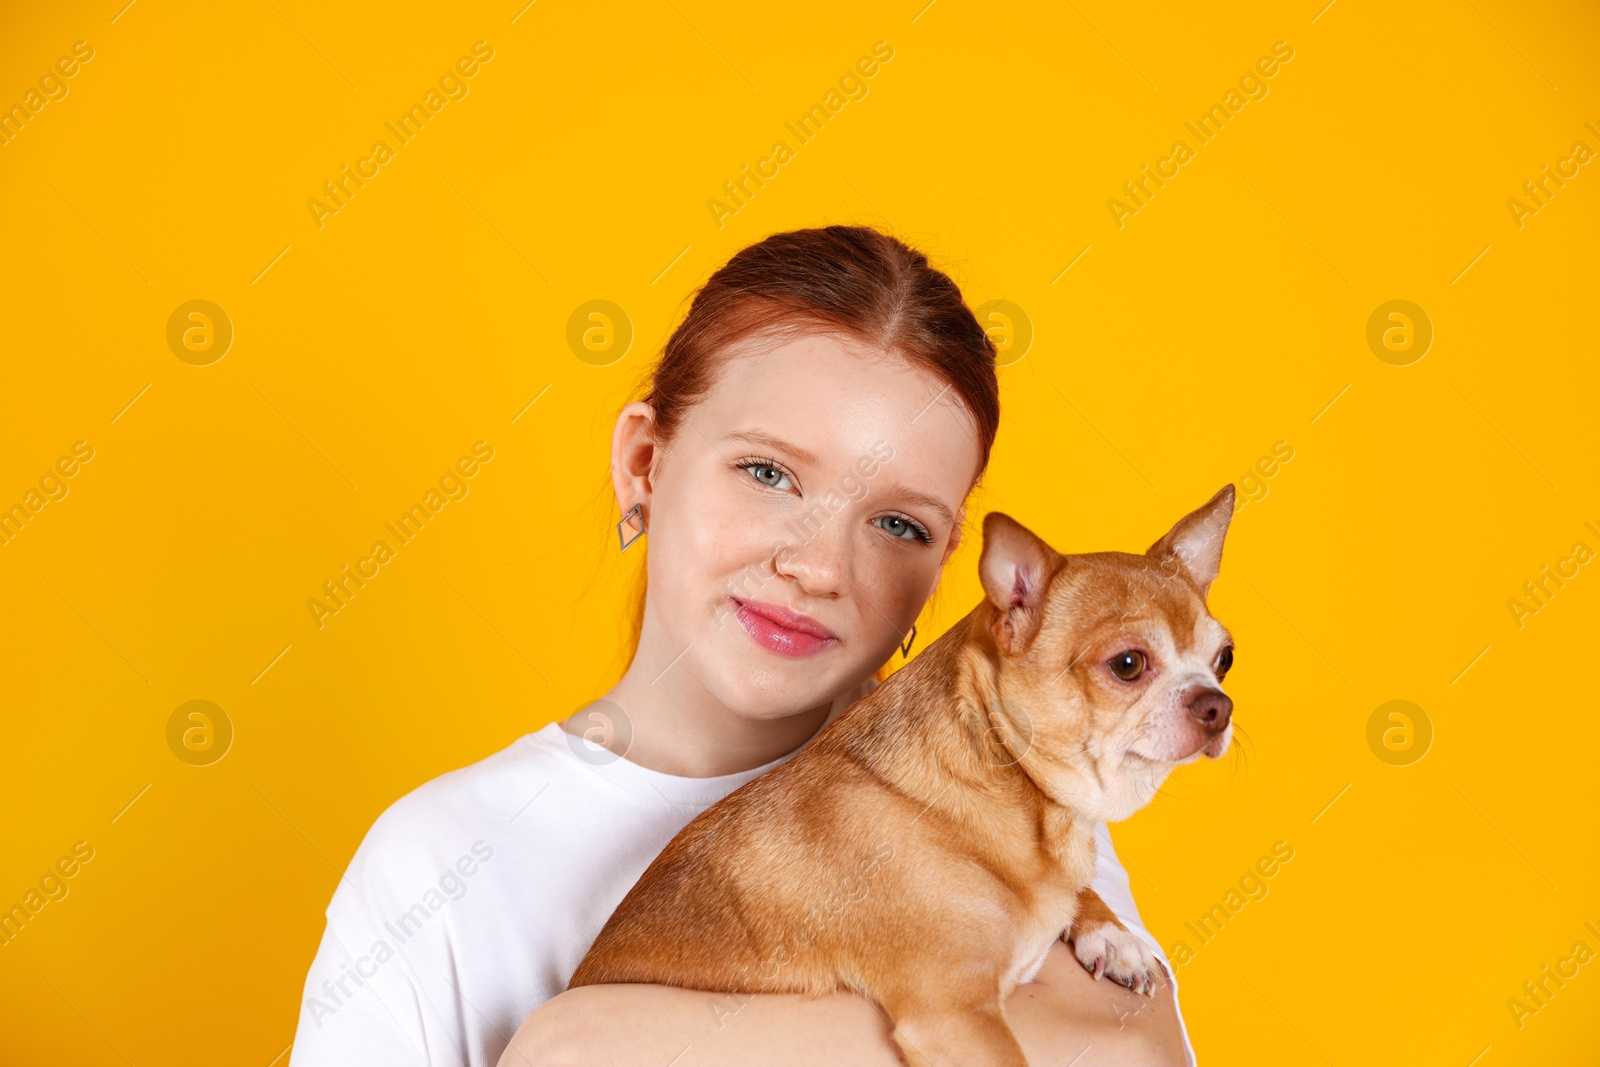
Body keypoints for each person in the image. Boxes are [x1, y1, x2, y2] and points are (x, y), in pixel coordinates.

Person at [287, 225, 1196, 1067]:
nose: (816, 564)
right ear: (644, 464)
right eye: (768, 472)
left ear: (950, 563)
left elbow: (1137, 1049)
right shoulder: (442, 864)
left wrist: (603, 1035)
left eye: (897, 524)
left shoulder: (1025, 798)